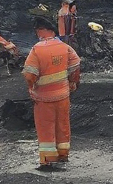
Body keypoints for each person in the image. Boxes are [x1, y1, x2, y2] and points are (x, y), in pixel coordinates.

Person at [23, 16, 81, 171]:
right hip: (63, 95)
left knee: (46, 127)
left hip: (44, 98)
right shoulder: (64, 46)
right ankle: (63, 154)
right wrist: (72, 82)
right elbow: (75, 65)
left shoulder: (37, 49)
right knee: (62, 124)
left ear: (40, 31)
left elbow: (29, 74)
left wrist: (31, 87)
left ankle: (49, 159)